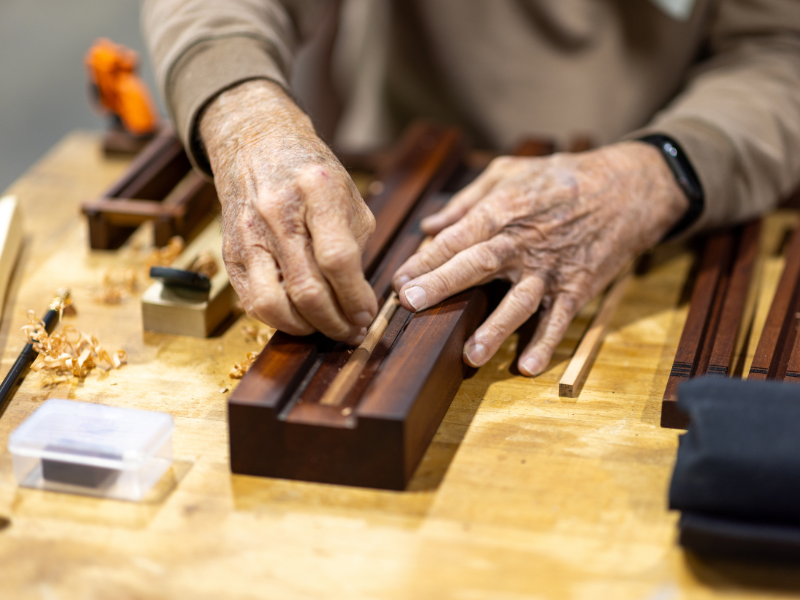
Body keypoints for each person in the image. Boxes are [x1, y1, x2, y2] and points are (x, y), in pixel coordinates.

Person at [143, 0, 800, 376]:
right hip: (411, 159)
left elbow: (780, 52)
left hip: (672, 188)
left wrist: (660, 172)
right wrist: (242, 112)